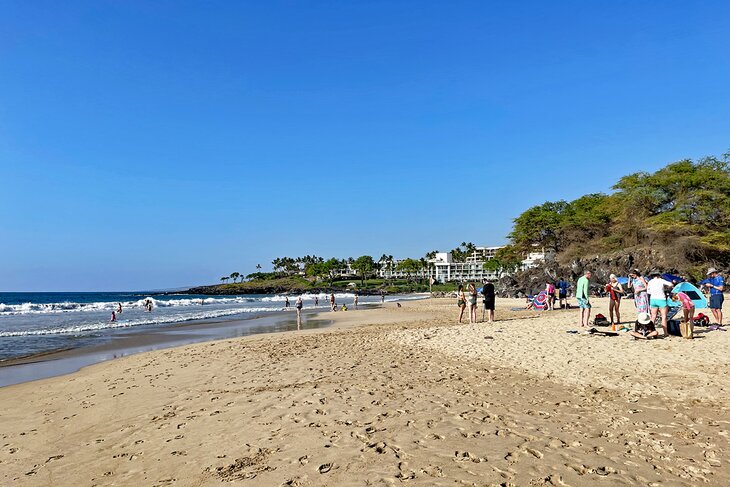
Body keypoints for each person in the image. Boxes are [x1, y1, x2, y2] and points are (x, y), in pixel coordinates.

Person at [647, 271, 673, 336]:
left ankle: (651, 331)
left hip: (653, 299)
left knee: (653, 317)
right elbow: (671, 284)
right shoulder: (661, 280)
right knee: (663, 316)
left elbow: (648, 292)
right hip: (661, 299)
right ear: (659, 275)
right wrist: (666, 288)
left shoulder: (650, 282)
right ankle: (665, 333)